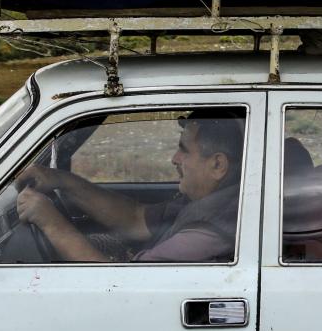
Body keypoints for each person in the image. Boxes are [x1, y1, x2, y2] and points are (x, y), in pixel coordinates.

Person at [15, 108, 245, 262]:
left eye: (184, 149)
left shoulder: (213, 232)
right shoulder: (208, 200)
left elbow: (117, 283)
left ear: (217, 165)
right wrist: (62, 180)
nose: (174, 158)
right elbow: (134, 218)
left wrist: (51, 224)